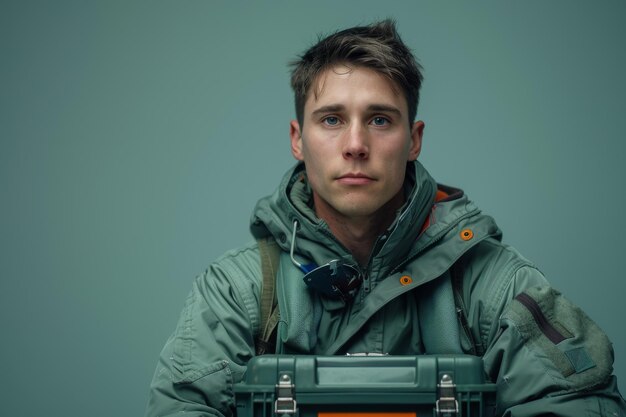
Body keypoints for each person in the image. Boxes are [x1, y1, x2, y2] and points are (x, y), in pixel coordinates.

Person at [144, 20, 626, 416]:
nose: (356, 144)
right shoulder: (237, 293)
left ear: (413, 139)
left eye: (380, 119)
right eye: (331, 119)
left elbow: (579, 404)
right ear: (298, 138)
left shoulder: (494, 284)